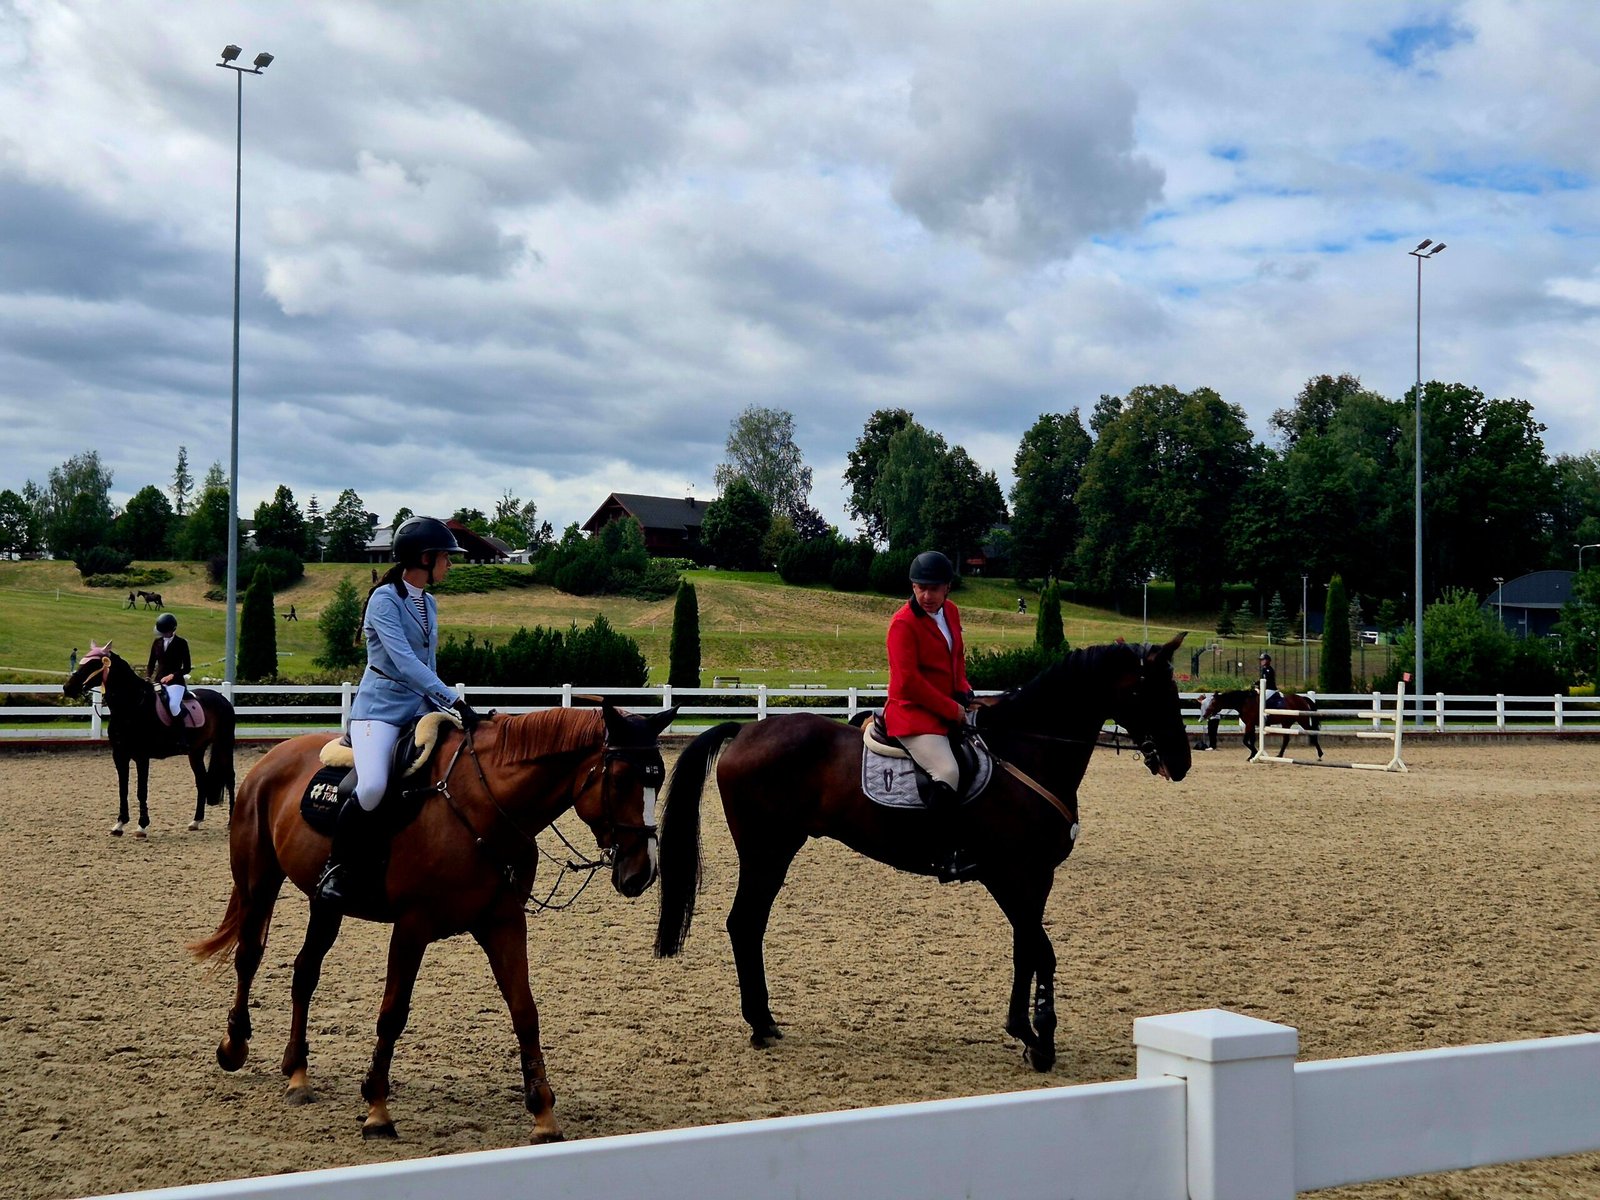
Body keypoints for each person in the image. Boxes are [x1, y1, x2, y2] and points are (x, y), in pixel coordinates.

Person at [317, 515, 482, 905]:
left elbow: (429, 662)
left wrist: (446, 706)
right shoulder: (384, 599)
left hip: (421, 709)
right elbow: (405, 662)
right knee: (373, 785)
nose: (450, 564)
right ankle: (337, 868)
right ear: (425, 558)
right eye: (446, 557)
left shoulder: (429, 602)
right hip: (380, 711)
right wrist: (454, 699)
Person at [885, 550, 977, 883]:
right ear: (912, 586)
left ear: (947, 588)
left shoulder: (950, 612)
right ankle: (939, 853)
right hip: (912, 715)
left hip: (948, 707)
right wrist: (950, 708)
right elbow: (908, 683)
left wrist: (965, 692)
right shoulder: (902, 624)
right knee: (947, 770)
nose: (926, 595)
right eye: (920, 588)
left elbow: (957, 660)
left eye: (933, 588)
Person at [146, 613, 192, 749]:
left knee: (173, 706)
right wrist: (148, 677)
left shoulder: (182, 643)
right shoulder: (157, 642)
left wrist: (173, 675)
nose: (164, 634)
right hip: (158, 681)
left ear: (172, 630)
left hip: (175, 683)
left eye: (166, 632)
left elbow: (187, 668)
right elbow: (151, 663)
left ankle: (182, 737)